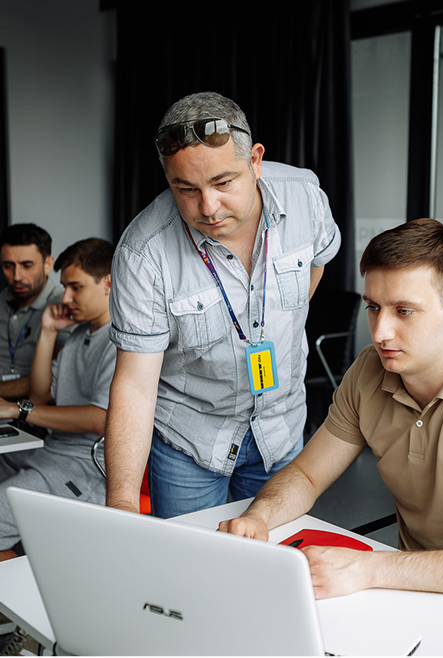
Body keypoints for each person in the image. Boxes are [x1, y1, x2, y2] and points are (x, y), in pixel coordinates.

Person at [220, 218, 443, 611]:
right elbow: (307, 475)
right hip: (414, 591)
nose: (380, 333)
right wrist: (259, 516)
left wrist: (368, 568)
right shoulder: (371, 369)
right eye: (374, 308)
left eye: (404, 311)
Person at [105, 91, 341, 519]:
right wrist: (121, 505)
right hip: (190, 440)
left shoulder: (305, 195)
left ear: (255, 160)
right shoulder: (143, 253)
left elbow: (318, 261)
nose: (208, 207)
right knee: (191, 560)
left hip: (281, 429)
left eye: (223, 182)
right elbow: (135, 386)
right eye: (186, 189)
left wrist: (270, 323)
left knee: (273, 555)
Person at [0, 238, 117, 562]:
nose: (65, 298)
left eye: (75, 287)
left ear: (108, 283)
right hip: (50, 454)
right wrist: (49, 331)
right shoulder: (80, 335)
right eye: (65, 287)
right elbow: (40, 395)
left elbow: (100, 419)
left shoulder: (121, 341)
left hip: (85, 468)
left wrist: (15, 410)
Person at [0, 223, 72, 401]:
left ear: (47, 264)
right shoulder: (2, 299)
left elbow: (57, 375)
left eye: (27, 265)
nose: (17, 276)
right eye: (8, 266)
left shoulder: (66, 305)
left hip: (36, 409)